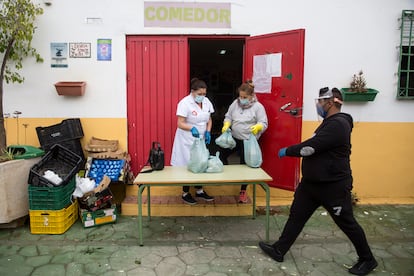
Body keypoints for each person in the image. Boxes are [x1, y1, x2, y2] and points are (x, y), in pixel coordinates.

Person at [259, 87, 377, 276]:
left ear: (330, 103)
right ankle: (279, 249)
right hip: (312, 185)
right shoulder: (328, 123)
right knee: (296, 216)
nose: (318, 105)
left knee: (346, 222)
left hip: (333, 186)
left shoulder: (338, 124)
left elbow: (311, 147)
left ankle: (368, 259)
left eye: (320, 102)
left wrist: (288, 151)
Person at [219, 80, 268, 203]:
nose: (242, 99)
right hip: (234, 137)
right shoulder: (235, 104)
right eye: (240, 96)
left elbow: (264, 122)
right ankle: (228, 177)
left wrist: (258, 127)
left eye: (245, 97)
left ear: (251, 96)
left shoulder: (258, 107)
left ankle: (243, 191)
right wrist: (227, 124)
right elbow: (228, 116)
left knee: (245, 165)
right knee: (222, 154)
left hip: (248, 140)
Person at [171, 78, 215, 205]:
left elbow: (209, 119)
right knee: (187, 165)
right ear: (192, 92)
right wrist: (192, 128)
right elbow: (180, 123)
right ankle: (185, 193)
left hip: (200, 139)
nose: (202, 97)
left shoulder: (206, 102)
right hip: (187, 140)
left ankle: (199, 190)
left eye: (204, 94)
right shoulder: (184, 103)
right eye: (199, 94)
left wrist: (208, 131)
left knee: (200, 163)